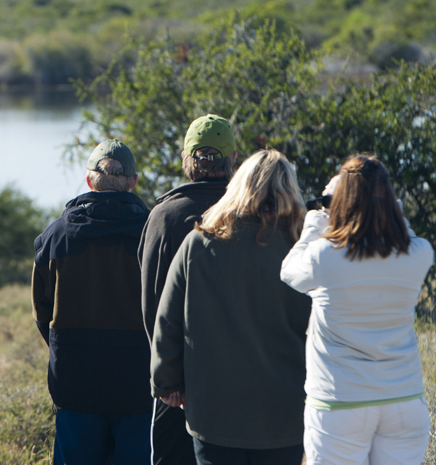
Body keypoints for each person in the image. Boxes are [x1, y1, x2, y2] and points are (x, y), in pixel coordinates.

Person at [151, 149, 311, 465]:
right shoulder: (304, 249)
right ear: (290, 189)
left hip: (213, 414)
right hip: (285, 414)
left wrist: (166, 382)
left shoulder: (199, 242)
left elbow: (168, 320)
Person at [280, 155, 433, 465]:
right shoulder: (419, 253)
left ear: (341, 203)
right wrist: (389, 211)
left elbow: (289, 272)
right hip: (403, 399)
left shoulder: (325, 255)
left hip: (339, 403)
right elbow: (402, 234)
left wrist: (318, 219)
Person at [31, 140, 152, 465]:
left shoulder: (55, 237)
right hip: (138, 386)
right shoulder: (152, 236)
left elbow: (42, 314)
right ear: (132, 182)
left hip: (74, 384)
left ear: (89, 180)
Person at [138, 114, 237, 464]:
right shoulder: (250, 211)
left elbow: (152, 306)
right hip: (243, 378)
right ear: (233, 160)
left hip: (180, 384)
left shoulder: (164, 215)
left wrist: (168, 377)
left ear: (186, 160)